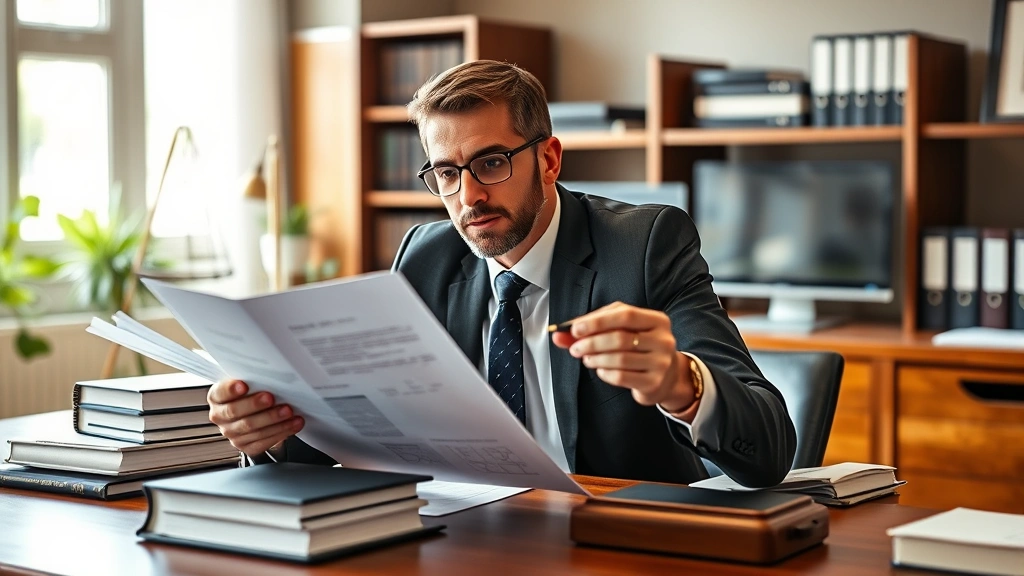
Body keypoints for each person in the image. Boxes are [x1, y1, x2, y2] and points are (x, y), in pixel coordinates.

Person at [208, 60, 796, 488]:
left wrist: (682, 386)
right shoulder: (425, 258)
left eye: (491, 162)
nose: (468, 195)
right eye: (445, 172)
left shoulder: (643, 246)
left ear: (548, 158)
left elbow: (769, 450)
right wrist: (271, 431)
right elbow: (351, 435)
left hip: (617, 542)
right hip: (469, 537)